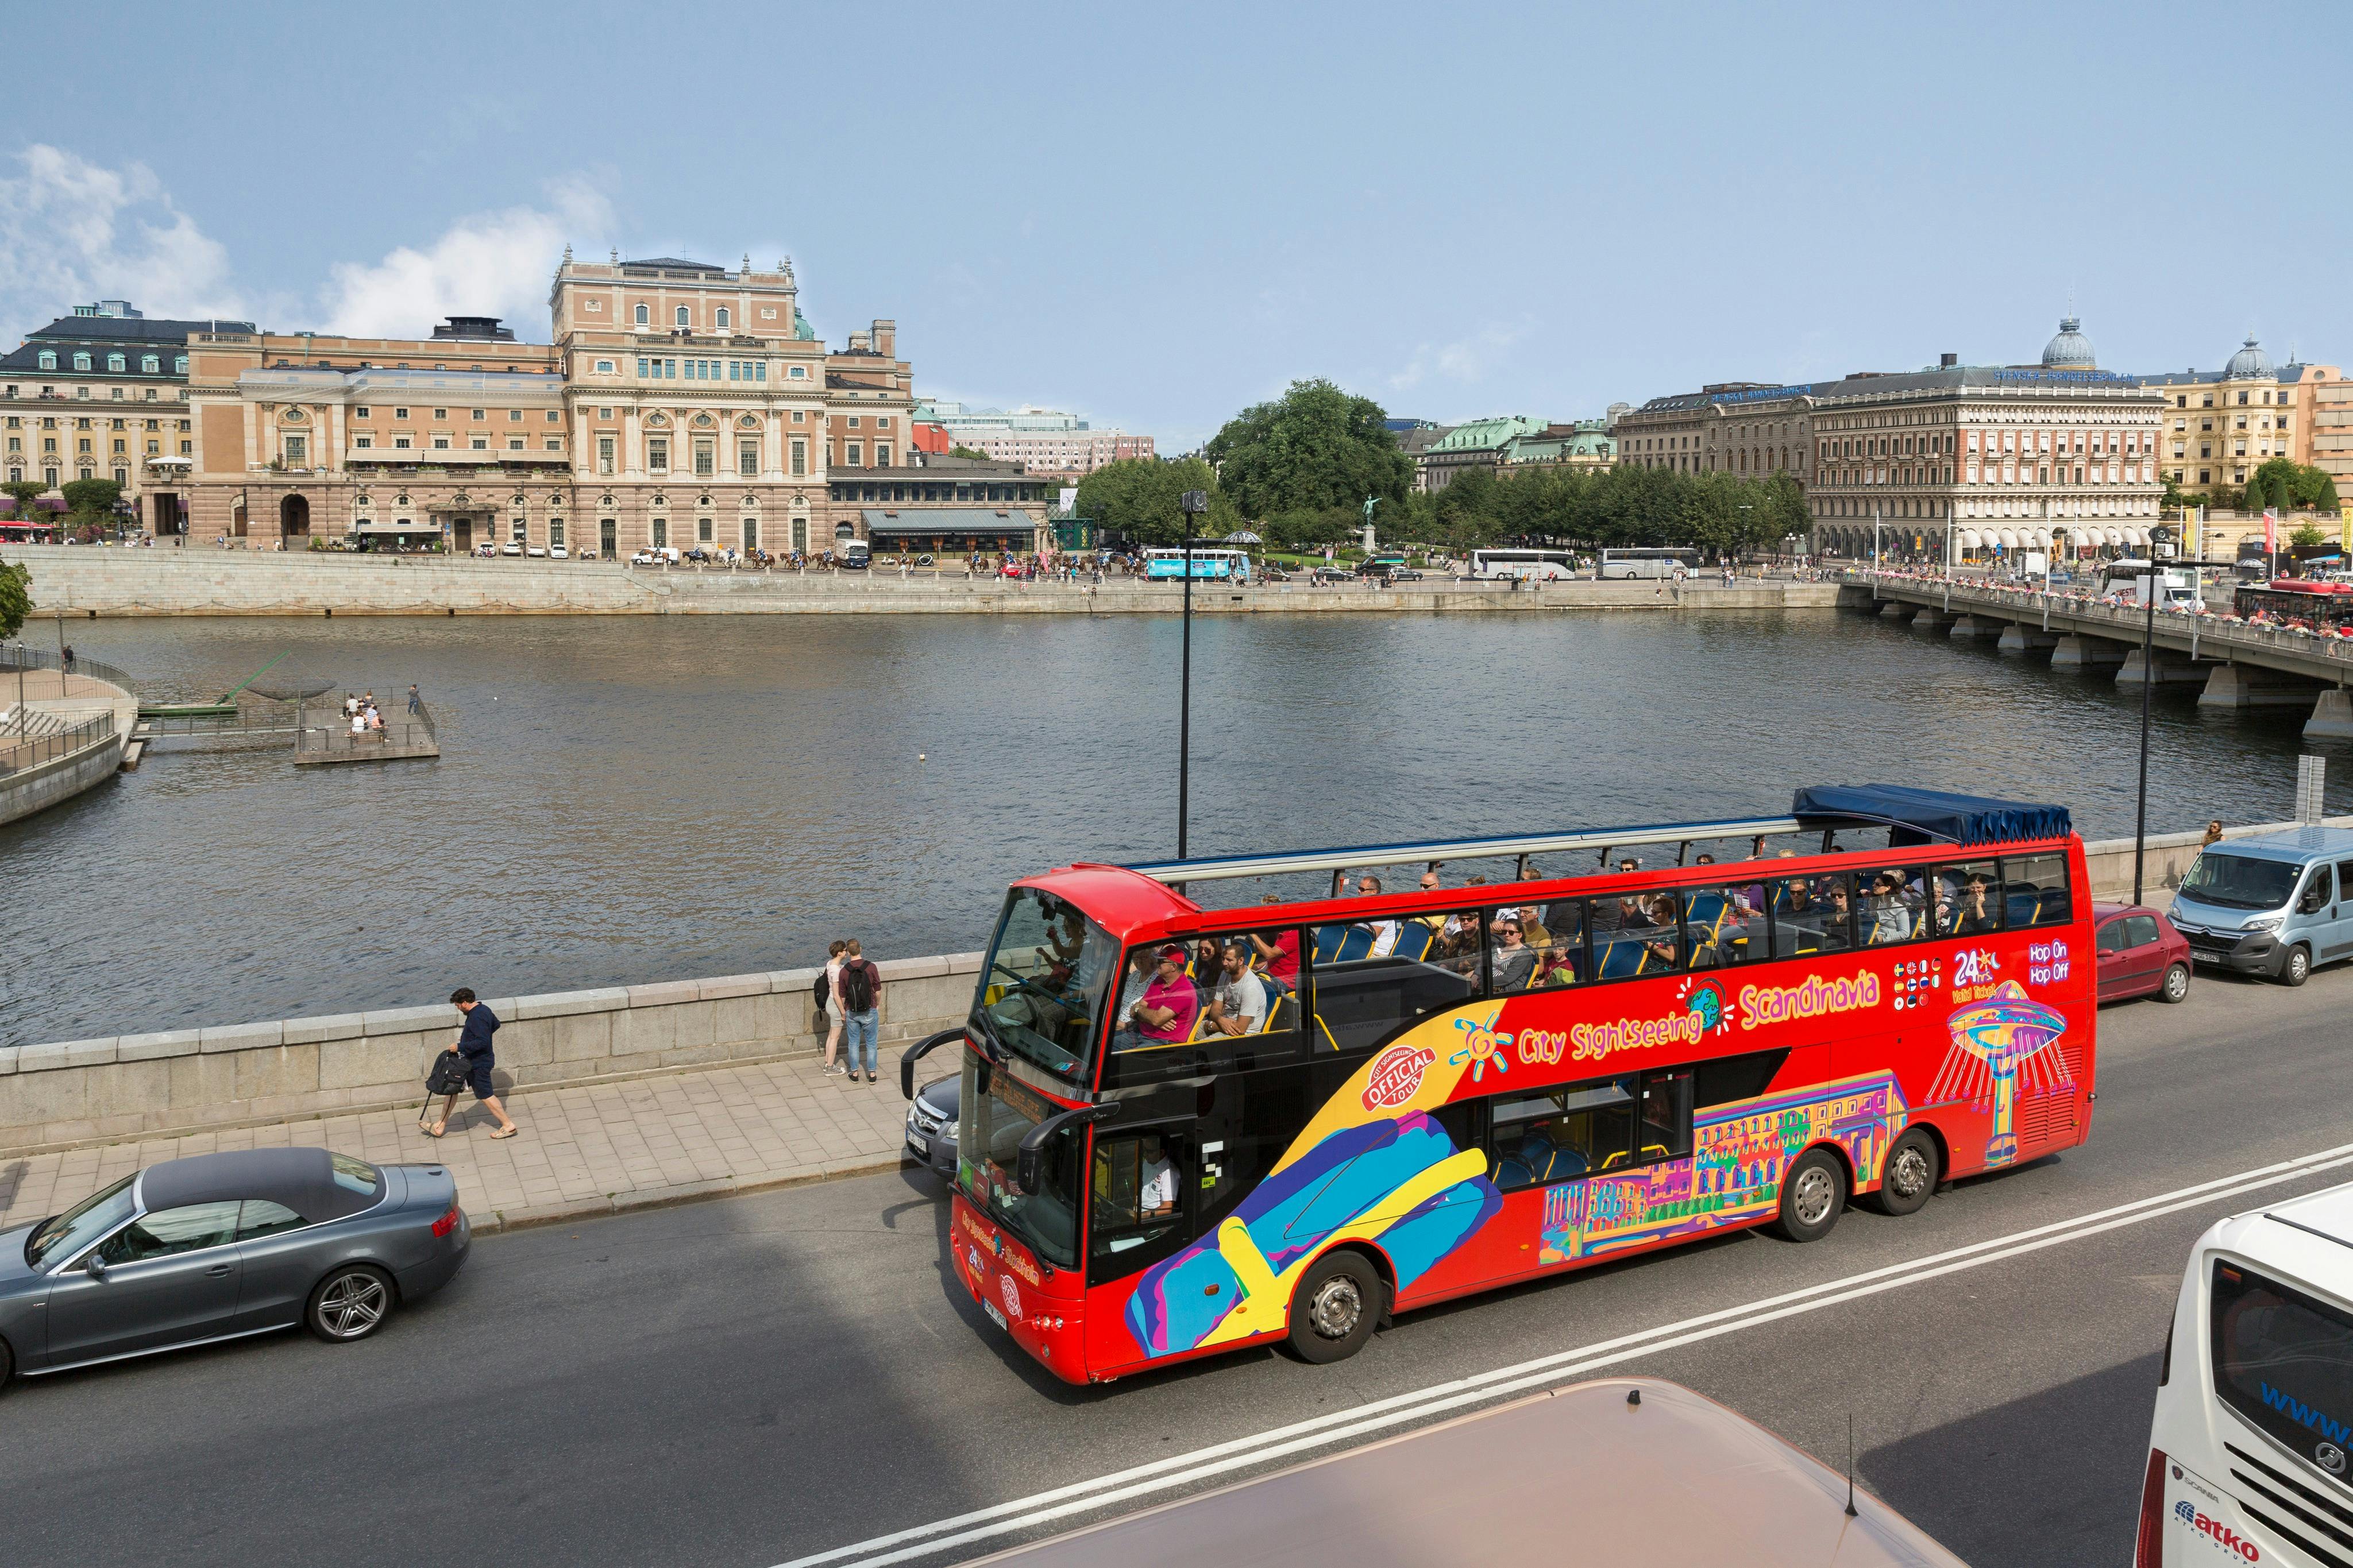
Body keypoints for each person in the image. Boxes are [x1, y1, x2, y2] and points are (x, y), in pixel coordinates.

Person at [429, 987, 518, 1139]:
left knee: (486, 1095)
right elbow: (496, 1025)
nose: (458, 1008)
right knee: (452, 1088)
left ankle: (508, 1126)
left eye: (458, 1005)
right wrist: (473, 1038)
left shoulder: (476, 1017)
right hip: (470, 1062)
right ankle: (440, 1126)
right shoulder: (484, 1009)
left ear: (465, 1003)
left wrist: (461, 1046)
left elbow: (482, 1042)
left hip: (479, 1064)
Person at [1115, 946, 1198, 1051]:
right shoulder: (1159, 980)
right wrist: (1146, 1015)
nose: (1157, 963)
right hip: (1140, 1033)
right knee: (1103, 1048)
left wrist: (1141, 1011)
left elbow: (1156, 1019)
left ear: (1174, 967)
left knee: (1126, 1061)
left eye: (1161, 961)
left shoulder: (1184, 990)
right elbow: (1134, 1010)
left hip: (1162, 1042)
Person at [835, 939, 885, 1084]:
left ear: (848, 952)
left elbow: (842, 995)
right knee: (871, 1044)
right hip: (870, 1010)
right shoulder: (871, 967)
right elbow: (878, 990)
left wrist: (845, 1011)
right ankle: (872, 1074)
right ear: (861, 949)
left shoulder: (844, 971)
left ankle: (855, 1073)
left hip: (852, 1011)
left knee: (853, 1043)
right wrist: (877, 1005)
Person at [1208, 941, 1268, 1038]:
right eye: (1223, 959)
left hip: (1241, 1035)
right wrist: (1220, 1020)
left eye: (1229, 960)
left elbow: (1241, 1028)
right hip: (1223, 1023)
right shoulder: (1225, 974)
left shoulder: (1250, 988)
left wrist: (1211, 1026)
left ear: (1241, 961)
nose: (1224, 963)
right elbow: (1215, 1009)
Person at [819, 939, 848, 1076]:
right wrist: (843, 1012)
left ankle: (827, 1064)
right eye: (845, 950)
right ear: (840, 953)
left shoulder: (830, 964)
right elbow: (837, 995)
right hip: (835, 1005)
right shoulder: (836, 971)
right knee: (835, 1038)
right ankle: (830, 1068)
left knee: (831, 1036)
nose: (846, 952)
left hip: (829, 1002)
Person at [1491, 918, 1537, 990]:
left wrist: (1485, 982)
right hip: (1486, 984)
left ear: (1520, 935)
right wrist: (1476, 975)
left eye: (1511, 933)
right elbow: (1485, 962)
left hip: (1504, 991)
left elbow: (1508, 978)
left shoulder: (1524, 955)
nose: (1506, 935)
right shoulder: (1499, 946)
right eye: (1504, 932)